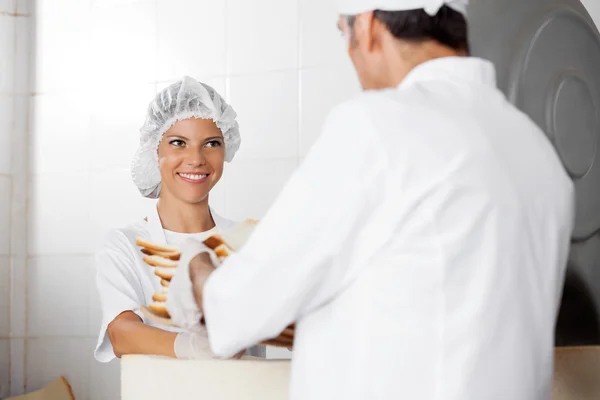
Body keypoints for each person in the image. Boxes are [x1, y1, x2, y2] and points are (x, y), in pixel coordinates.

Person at [167, 0, 575, 399]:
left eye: (344, 33)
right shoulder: (537, 152)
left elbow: (241, 307)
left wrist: (197, 266)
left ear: (366, 26)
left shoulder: (377, 125)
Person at [93, 76, 265, 362]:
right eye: (178, 143)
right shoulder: (125, 244)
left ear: (227, 149)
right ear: (154, 151)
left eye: (211, 143)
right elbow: (121, 333)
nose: (196, 158)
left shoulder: (249, 242)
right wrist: (195, 347)